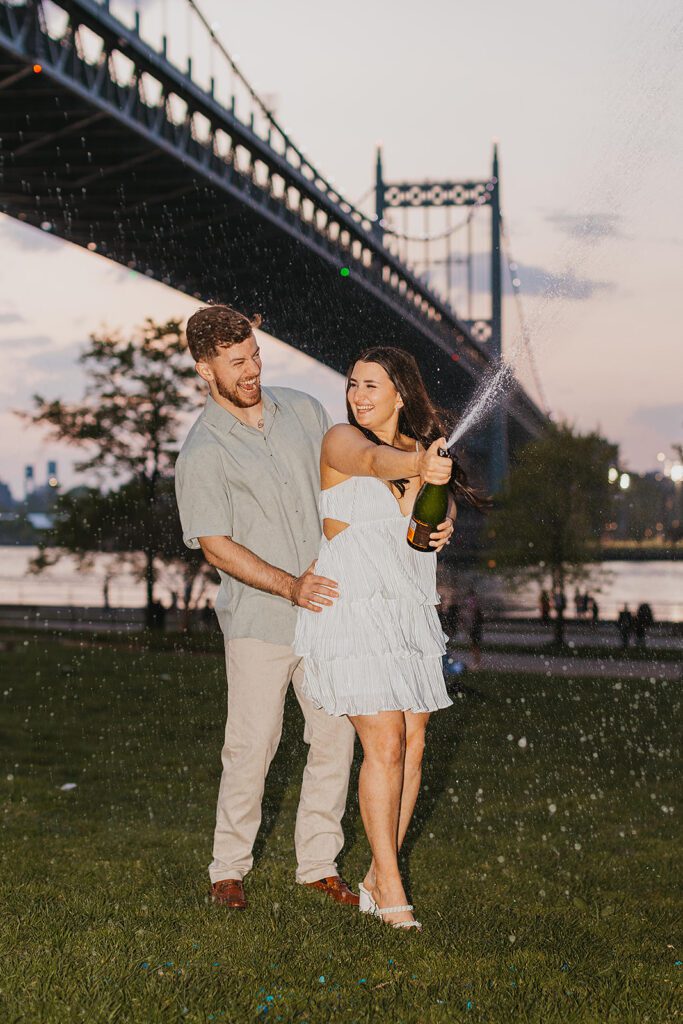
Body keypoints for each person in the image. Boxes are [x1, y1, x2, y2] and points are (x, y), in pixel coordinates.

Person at [295, 346, 488, 930]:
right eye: (353, 384)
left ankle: (380, 873)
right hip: (350, 606)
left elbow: (418, 536)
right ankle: (393, 888)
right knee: (382, 743)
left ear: (401, 393)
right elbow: (378, 464)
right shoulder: (340, 442)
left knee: (413, 743)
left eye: (372, 385)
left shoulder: (423, 460)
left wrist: (439, 512)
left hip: (405, 612)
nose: (358, 395)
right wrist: (419, 469)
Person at [175, 304, 357, 912]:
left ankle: (317, 865)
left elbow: (351, 483)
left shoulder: (305, 410)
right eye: (236, 363)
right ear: (206, 369)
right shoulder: (201, 450)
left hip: (327, 610)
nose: (251, 370)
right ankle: (228, 869)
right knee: (252, 745)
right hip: (259, 620)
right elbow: (216, 546)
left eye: (254, 355)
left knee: (335, 737)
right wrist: (290, 586)